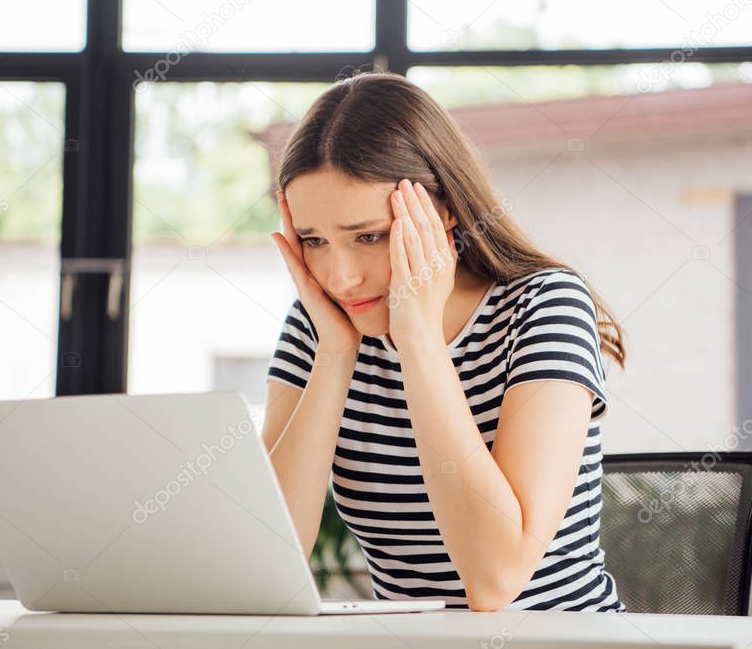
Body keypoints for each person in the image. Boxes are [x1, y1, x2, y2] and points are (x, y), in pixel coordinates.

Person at [262, 70, 627, 612]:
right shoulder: (321, 323)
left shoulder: (544, 306)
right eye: (314, 240)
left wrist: (420, 342)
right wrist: (335, 356)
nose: (340, 278)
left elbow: (497, 580)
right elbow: (270, 557)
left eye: (370, 236)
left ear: (445, 208)